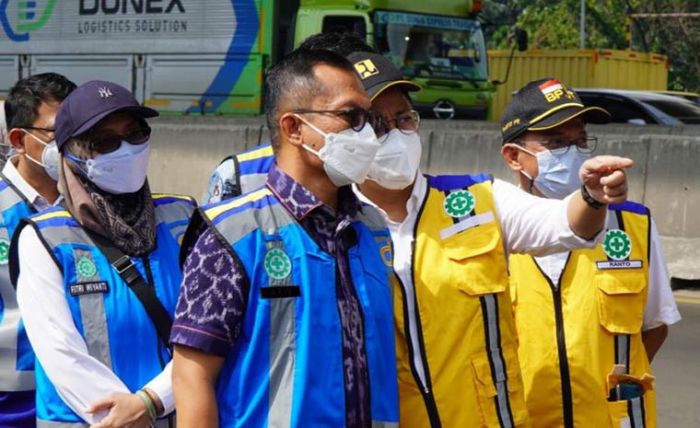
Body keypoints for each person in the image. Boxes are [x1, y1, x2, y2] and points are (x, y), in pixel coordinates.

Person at [348, 52, 633, 428]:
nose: (397, 135)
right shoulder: (336, 225)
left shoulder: (477, 199)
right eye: (377, 124)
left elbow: (564, 224)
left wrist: (592, 196)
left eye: (403, 118)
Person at [170, 48, 398, 427]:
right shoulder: (232, 233)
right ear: (293, 128)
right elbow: (192, 374)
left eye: (370, 118)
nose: (369, 134)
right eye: (351, 117)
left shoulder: (371, 227)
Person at [12, 80, 196, 427]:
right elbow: (60, 353)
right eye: (105, 142)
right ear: (72, 155)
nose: (126, 149)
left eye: (136, 134)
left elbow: (208, 329)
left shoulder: (184, 219)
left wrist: (153, 401)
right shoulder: (44, 238)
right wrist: (127, 416)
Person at [500, 78, 681, 428]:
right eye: (555, 143)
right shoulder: (492, 231)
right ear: (513, 157)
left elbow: (653, 327)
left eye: (580, 141)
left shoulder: (632, 224)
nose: (574, 153)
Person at [201, 32, 376, 204]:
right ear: (293, 127)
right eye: (350, 114)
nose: (367, 131)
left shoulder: (370, 217)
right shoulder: (241, 176)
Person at [0, 73, 75, 427]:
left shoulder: (94, 207)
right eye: (59, 133)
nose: (75, 143)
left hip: (76, 397)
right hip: (10, 402)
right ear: (19, 139)